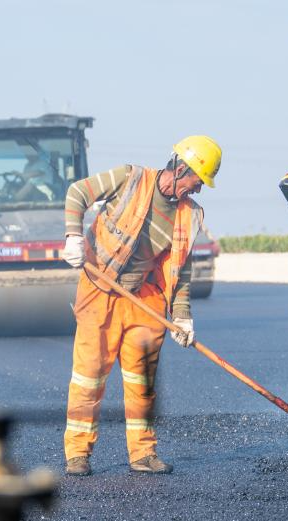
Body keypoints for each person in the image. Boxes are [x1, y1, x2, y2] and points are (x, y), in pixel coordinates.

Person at [59, 136, 221, 476]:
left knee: (142, 381)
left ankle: (143, 455)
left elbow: (182, 268)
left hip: (143, 298)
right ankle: (78, 454)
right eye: (197, 181)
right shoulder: (130, 178)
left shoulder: (188, 213)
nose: (199, 190)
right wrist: (73, 236)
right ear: (180, 170)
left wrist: (182, 315)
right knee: (89, 376)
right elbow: (78, 193)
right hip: (99, 288)